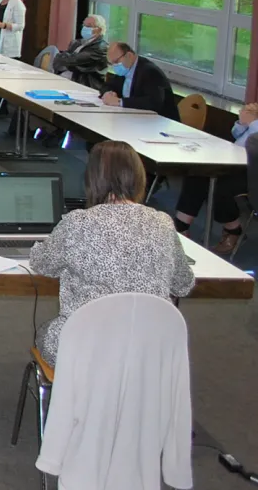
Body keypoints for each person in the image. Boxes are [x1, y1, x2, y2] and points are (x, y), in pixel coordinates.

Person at [29, 141, 194, 366]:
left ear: (92, 179)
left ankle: (74, 398)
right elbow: (182, 285)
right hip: (148, 350)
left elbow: (42, 264)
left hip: (86, 348)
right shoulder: (162, 222)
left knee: (45, 333)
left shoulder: (78, 222)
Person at [172, 103, 256, 255]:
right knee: (199, 173)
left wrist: (253, 122)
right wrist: (243, 122)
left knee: (220, 186)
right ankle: (180, 229)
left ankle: (234, 230)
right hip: (236, 164)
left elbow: (253, 143)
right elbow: (238, 136)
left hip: (252, 173)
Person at [102, 41, 180, 121]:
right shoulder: (124, 70)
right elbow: (106, 86)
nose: (114, 66)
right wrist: (108, 93)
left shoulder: (150, 71)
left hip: (159, 122)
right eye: (111, 63)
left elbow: (153, 102)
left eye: (116, 62)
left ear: (129, 55)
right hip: (134, 119)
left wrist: (120, 102)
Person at [48, 14, 110, 92]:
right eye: (84, 25)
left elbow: (73, 61)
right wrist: (66, 60)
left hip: (83, 86)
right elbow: (58, 60)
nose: (85, 28)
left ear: (99, 30)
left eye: (89, 26)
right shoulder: (78, 43)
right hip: (65, 79)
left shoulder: (101, 47)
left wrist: (66, 60)